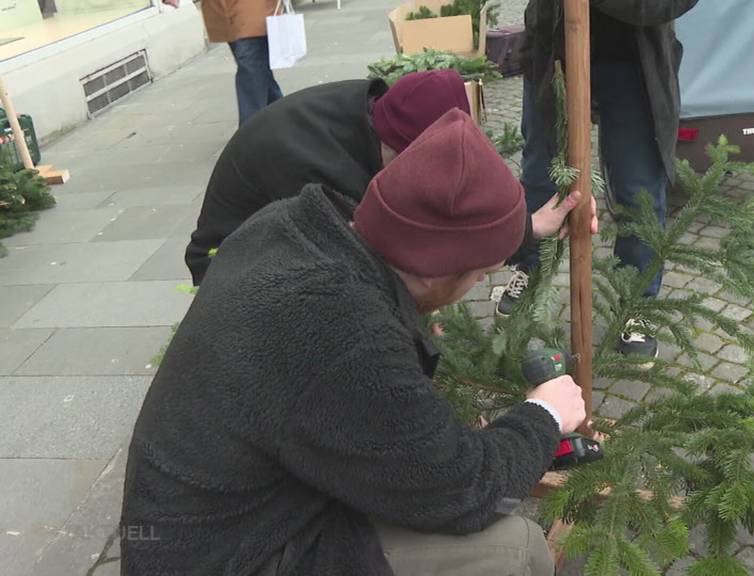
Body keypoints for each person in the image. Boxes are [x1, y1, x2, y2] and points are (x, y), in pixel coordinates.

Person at [119, 109, 587, 576]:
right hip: (230, 557)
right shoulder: (345, 336)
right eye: (483, 273)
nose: (479, 283)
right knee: (515, 547)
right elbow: (463, 492)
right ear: (441, 267)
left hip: (186, 528)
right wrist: (542, 417)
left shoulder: (289, 225)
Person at [498, 0, 699, 364]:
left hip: (635, 57)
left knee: (638, 188)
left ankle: (636, 299)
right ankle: (530, 266)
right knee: (541, 176)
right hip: (552, 46)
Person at [184, 70, 471, 285]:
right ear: (394, 147)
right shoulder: (319, 170)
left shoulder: (373, 106)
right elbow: (359, 265)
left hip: (282, 232)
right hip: (227, 265)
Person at [163, 0, 284, 125]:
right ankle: (283, 118)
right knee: (258, 70)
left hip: (252, 8)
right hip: (224, 10)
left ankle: (248, 132)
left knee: (251, 66)